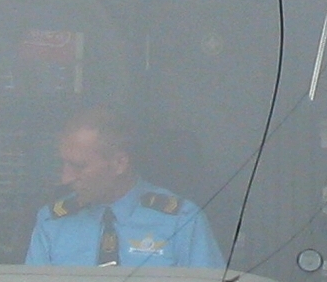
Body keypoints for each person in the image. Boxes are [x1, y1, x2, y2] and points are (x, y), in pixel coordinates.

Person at [25, 110, 221, 268]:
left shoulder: (181, 221)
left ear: (119, 163)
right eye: (64, 164)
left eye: (78, 166)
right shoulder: (52, 223)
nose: (65, 178)